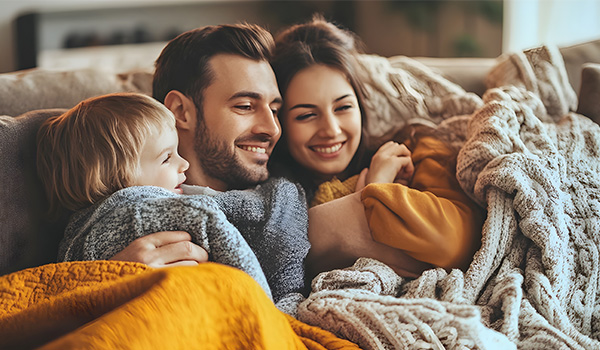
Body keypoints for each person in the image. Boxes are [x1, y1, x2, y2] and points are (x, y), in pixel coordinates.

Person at [37, 92, 309, 302]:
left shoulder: (73, 236)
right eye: (167, 157)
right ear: (118, 176)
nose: (184, 165)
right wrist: (269, 308)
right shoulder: (169, 211)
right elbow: (214, 227)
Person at [269, 16, 484, 278]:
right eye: (306, 115)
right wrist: (363, 203)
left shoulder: (412, 149)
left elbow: (455, 245)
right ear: (281, 122)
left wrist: (378, 191)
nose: (332, 130)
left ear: (361, 107)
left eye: (343, 107)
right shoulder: (274, 196)